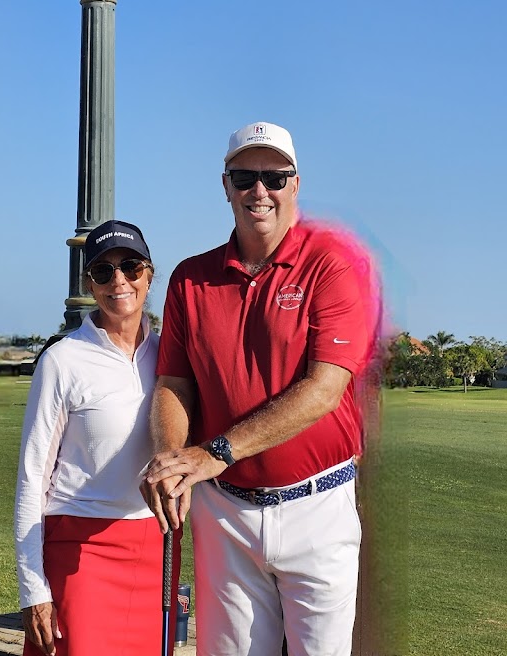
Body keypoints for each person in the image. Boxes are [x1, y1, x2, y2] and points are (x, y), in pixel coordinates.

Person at [141, 122, 380, 656]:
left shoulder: (332, 266)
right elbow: (174, 383)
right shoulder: (190, 279)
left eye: (274, 177)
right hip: (225, 514)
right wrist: (173, 459)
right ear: (225, 185)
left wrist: (212, 453)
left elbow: (324, 389)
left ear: (296, 184)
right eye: (245, 177)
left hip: (317, 506)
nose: (259, 191)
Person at [15, 220, 179, 656]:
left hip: (155, 544)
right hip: (80, 547)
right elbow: (32, 478)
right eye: (103, 272)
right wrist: (33, 589)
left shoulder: (171, 356)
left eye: (130, 267)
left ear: (149, 275)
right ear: (90, 284)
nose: (118, 280)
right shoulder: (63, 360)